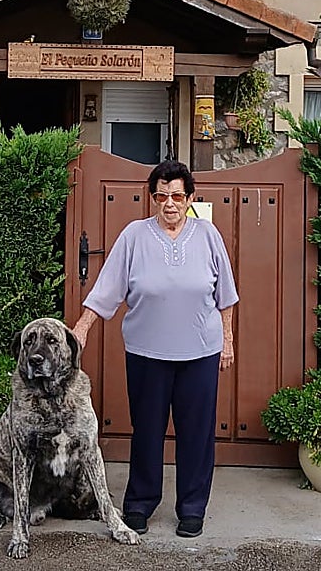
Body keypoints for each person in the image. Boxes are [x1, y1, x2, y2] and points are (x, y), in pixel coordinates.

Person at [71, 159, 238, 539]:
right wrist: (82, 327)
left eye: (177, 196)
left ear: (190, 198)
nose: (169, 203)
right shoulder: (134, 235)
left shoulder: (208, 235)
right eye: (161, 196)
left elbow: (225, 296)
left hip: (200, 353)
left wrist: (227, 340)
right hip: (147, 353)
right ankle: (140, 504)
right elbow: (107, 289)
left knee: (196, 434)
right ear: (152, 198)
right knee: (146, 430)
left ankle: (192, 509)